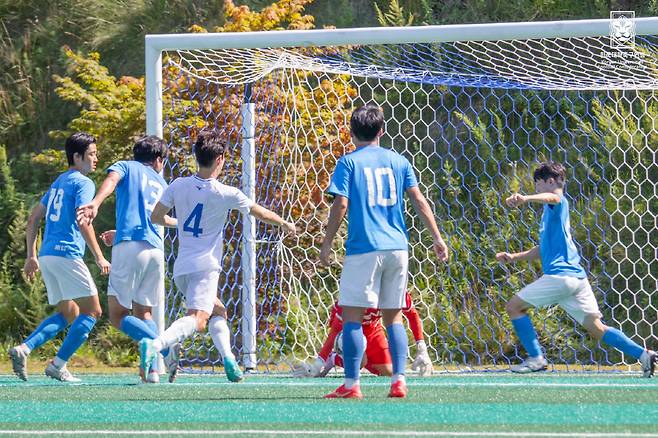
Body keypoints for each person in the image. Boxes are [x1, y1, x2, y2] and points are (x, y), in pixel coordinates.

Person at [142, 130, 296, 382]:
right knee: (198, 319)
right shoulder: (226, 192)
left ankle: (229, 361)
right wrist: (284, 223)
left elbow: (156, 217)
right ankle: (156, 346)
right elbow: (258, 212)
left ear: (196, 157)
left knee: (218, 312)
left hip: (182, 268)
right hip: (206, 268)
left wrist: (179, 223)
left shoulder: (177, 185)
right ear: (220, 159)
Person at [320, 104, 449, 399]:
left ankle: (351, 385)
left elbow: (340, 204)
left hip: (364, 248)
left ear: (351, 133)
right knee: (394, 318)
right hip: (397, 248)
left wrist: (327, 244)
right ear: (381, 131)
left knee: (352, 316)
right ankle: (399, 382)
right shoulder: (399, 161)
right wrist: (437, 238)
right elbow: (418, 200)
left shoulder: (348, 163)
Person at [496, 161, 656, 376]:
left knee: (514, 307)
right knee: (596, 328)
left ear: (549, 181)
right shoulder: (551, 215)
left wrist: (526, 198)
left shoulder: (557, 202)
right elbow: (543, 249)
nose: (536, 189)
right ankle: (644, 355)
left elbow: (554, 197)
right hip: (577, 280)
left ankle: (536, 359)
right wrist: (514, 257)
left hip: (561, 277)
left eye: (537, 185)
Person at [76, 135, 179, 383]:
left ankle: (165, 347)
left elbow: (111, 180)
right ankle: (153, 371)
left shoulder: (125, 166)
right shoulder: (161, 181)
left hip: (129, 248)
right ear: (157, 160)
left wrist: (95, 203)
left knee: (118, 315)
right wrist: (187, 225)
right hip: (154, 250)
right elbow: (159, 219)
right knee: (144, 314)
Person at [9, 132, 110, 382]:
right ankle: (58, 364)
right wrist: (99, 256)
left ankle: (24, 348)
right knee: (93, 311)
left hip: (47, 256)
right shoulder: (83, 183)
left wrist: (31, 255)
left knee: (69, 312)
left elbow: (33, 219)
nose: (95, 159)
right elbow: (83, 219)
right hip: (66, 254)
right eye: (91, 155)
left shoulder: (59, 182)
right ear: (77, 157)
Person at [293, 291, 433, 377]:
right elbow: (335, 330)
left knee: (390, 372)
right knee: (359, 361)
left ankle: (361, 358)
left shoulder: (397, 291)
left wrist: (422, 349)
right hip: (350, 326)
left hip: (373, 328)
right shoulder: (358, 293)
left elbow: (412, 316)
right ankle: (334, 358)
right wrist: (318, 363)